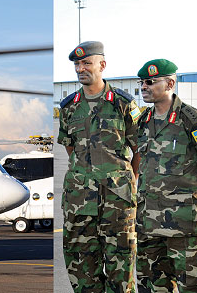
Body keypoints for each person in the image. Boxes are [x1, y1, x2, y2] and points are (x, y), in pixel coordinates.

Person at [58, 41, 141, 293]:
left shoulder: (123, 104)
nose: (80, 69)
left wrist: (130, 180)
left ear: (102, 65)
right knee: (82, 271)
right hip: (79, 202)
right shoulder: (69, 107)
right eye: (77, 64)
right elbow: (70, 147)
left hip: (117, 202)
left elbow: (139, 149)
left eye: (86, 63)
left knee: (120, 272)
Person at [136, 59, 197, 292]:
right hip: (149, 227)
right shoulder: (143, 122)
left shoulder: (192, 119)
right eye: (142, 82)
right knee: (152, 287)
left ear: (170, 83)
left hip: (186, 227)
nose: (144, 86)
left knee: (194, 287)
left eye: (151, 82)